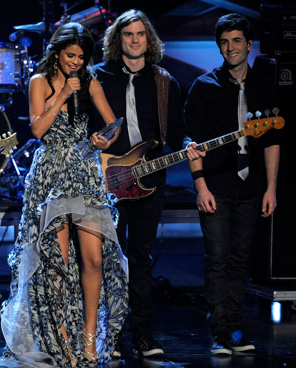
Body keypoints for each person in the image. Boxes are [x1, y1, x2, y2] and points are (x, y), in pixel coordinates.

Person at [0, 22, 129, 367]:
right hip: (51, 174)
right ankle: (63, 342)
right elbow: (38, 128)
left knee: (94, 258)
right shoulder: (39, 82)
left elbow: (114, 126)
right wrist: (63, 95)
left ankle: (89, 339)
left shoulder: (90, 81)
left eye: (82, 58)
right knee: (58, 264)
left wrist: (104, 139)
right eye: (71, 56)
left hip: (84, 172)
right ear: (56, 53)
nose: (76, 63)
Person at [92, 9, 203, 359]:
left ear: (149, 39)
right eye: (128, 34)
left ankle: (142, 336)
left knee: (140, 259)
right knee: (107, 261)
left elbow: (174, 129)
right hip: (106, 178)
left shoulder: (164, 81)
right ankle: (108, 338)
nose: (135, 39)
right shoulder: (98, 77)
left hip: (149, 181)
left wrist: (186, 143)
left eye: (141, 34)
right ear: (117, 39)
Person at [184, 13, 281, 355]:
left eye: (237, 41)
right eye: (224, 42)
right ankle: (220, 333)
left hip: (251, 187)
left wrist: (270, 187)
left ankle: (234, 329)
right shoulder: (204, 86)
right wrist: (201, 187)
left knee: (240, 259)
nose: (230, 48)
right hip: (217, 185)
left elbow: (271, 141)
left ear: (249, 45)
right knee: (218, 258)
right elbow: (191, 142)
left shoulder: (264, 86)